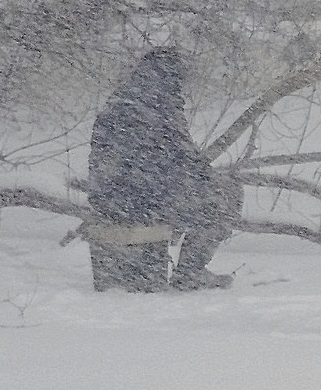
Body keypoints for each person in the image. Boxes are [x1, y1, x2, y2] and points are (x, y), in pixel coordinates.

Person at [86, 47, 240, 291]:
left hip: (107, 200)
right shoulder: (161, 105)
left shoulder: (118, 102)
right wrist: (205, 179)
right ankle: (191, 273)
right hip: (144, 201)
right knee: (226, 194)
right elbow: (187, 160)